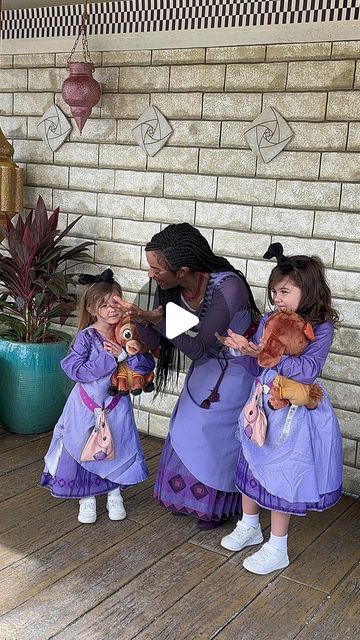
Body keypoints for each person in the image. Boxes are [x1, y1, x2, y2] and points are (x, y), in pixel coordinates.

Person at [119, 223, 261, 529]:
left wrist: (155, 320)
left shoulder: (228, 287)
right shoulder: (168, 285)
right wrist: (133, 321)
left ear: (182, 270)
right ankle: (187, 500)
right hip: (209, 365)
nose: (150, 274)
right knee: (184, 424)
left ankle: (216, 506)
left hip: (239, 365)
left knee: (212, 429)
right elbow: (157, 341)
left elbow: (196, 347)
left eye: (156, 268)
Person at [219, 242, 342, 574]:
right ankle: (248, 525)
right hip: (261, 402)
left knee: (281, 472)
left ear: (309, 290)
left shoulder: (322, 328)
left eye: (285, 291)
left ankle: (277, 546)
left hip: (294, 410)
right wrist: (245, 350)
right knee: (250, 459)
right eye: (274, 292)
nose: (277, 299)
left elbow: (308, 369)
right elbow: (259, 364)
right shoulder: (271, 319)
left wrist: (265, 354)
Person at [40, 269, 148, 524]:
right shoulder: (86, 337)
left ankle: (114, 492)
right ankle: (86, 497)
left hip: (116, 406)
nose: (112, 309)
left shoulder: (128, 333)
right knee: (82, 446)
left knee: (117, 445)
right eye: (104, 305)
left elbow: (144, 365)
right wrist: (108, 359)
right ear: (91, 308)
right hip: (85, 407)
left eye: (115, 303)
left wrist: (124, 356)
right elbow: (74, 370)